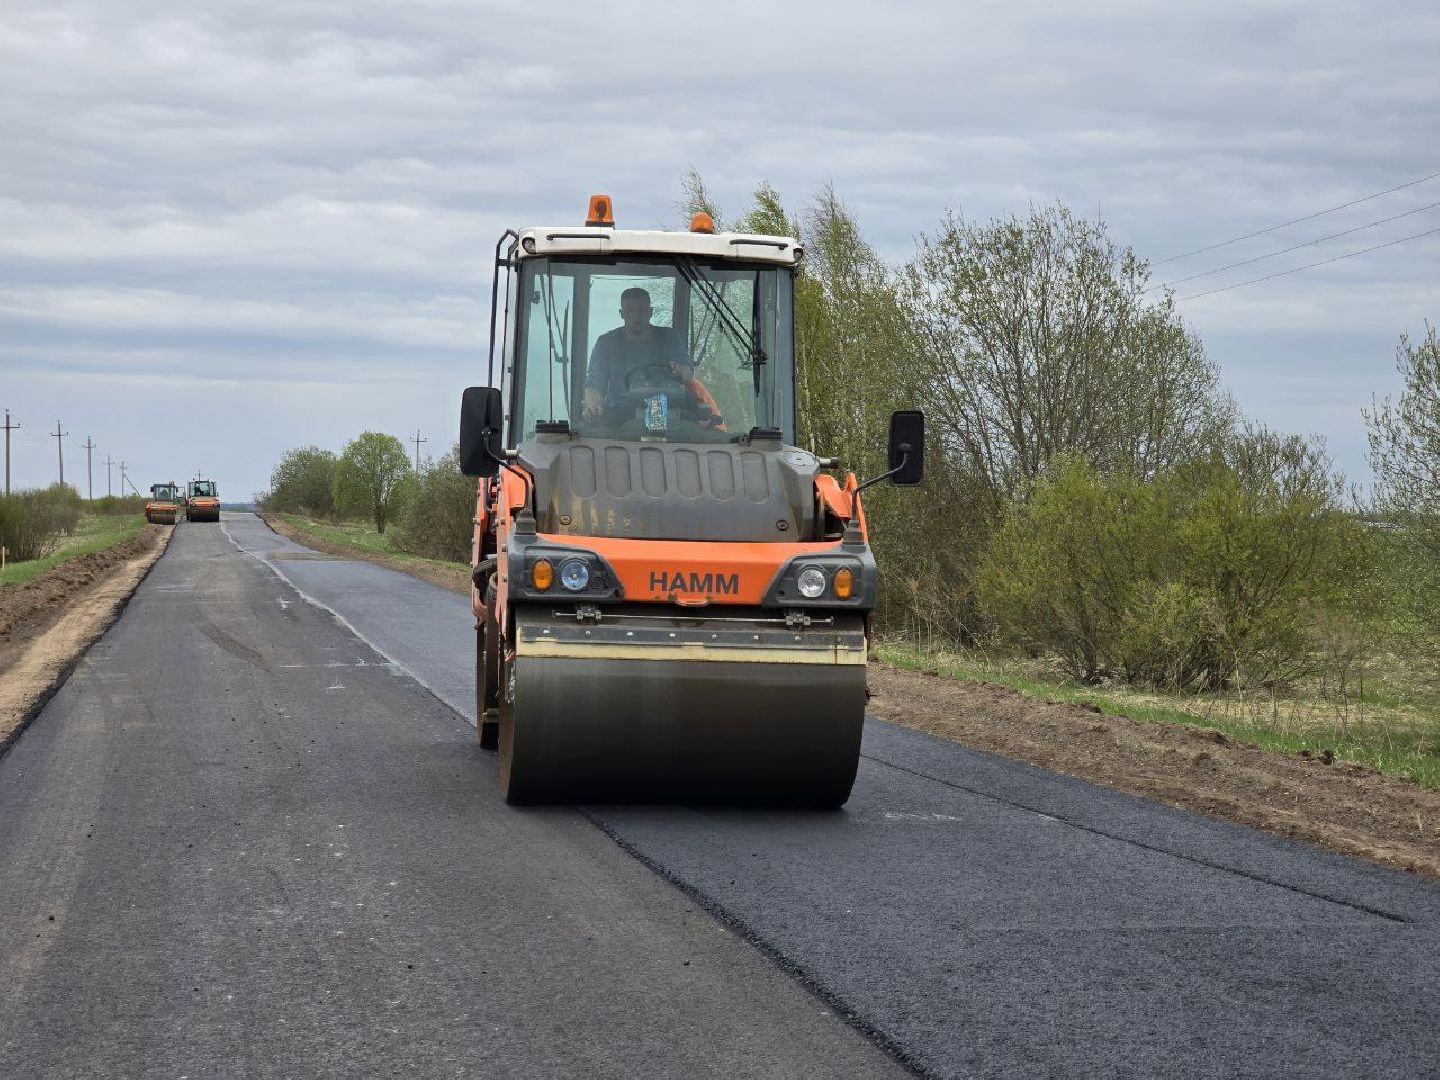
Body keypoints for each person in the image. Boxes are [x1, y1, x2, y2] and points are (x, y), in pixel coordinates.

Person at [581, 287, 695, 421]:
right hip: (618, 417)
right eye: (631, 311)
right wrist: (593, 404)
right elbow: (595, 381)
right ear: (621, 313)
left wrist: (682, 371)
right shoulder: (606, 343)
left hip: (666, 414)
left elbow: (684, 368)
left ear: (651, 312)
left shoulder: (669, 338)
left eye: (642, 310)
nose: (636, 316)